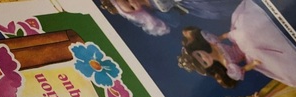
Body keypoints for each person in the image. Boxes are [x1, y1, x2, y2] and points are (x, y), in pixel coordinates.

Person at [178, 0, 296, 88]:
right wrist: (251, 65)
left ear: (198, 48)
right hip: (248, 53)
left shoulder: (213, 43)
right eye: (204, 62)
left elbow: (223, 36)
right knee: (252, 44)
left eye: (199, 55)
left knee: (246, 33)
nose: (204, 57)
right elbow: (241, 71)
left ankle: (285, 14)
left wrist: (228, 35)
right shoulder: (227, 65)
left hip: (238, 40)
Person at [99, 0, 238, 36]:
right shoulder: (154, 10)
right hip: (195, 4)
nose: (132, 2)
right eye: (131, 7)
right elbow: (174, 20)